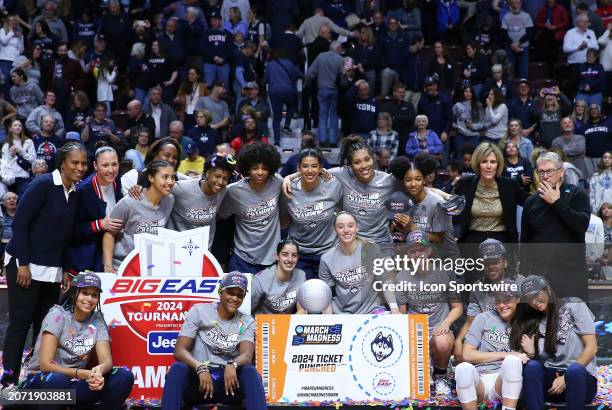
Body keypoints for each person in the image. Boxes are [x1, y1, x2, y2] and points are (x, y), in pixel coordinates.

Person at [1, 142, 87, 388]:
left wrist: (66, 270)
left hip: (52, 269)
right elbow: (20, 225)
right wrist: (23, 265)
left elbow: (65, 236)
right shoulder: (42, 184)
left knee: (45, 324)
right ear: (62, 162)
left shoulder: (75, 192)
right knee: (21, 321)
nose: (80, 167)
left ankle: (36, 374)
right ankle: (9, 378)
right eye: (75, 162)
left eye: (83, 163)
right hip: (25, 263)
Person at [21, 272, 135, 408]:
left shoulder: (97, 319)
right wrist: (80, 373)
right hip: (39, 386)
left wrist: (98, 371)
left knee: (124, 376)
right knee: (58, 380)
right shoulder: (57, 315)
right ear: (75, 293)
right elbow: (46, 365)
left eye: (94, 295)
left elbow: (106, 361)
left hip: (73, 385)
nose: (89, 299)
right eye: (85, 293)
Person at [162, 271, 265, 409]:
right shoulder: (199, 311)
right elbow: (179, 351)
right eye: (230, 293)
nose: (235, 298)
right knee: (177, 368)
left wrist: (232, 364)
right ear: (220, 291)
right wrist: (199, 367)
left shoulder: (246, 320)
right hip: (200, 383)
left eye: (240, 295)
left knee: (250, 372)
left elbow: (246, 355)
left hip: (229, 385)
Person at [394, 230, 463, 396]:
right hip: (416, 331)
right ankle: (423, 371)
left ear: (428, 251)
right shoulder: (401, 277)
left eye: (421, 249)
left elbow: (458, 307)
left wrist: (445, 324)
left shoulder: (445, 273)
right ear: (408, 254)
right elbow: (403, 313)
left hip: (440, 329)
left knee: (441, 341)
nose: (417, 254)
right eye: (413, 251)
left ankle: (441, 375)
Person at [514, 276, 598, 410]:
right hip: (552, 385)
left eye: (536, 295)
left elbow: (592, 347)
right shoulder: (535, 321)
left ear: (547, 289)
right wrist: (532, 354)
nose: (534, 301)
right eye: (529, 299)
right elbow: (544, 362)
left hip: (580, 380)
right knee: (532, 367)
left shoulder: (573, 306)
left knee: (574, 371)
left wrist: (565, 378)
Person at [521, 152, 591, 299]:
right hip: (541, 275)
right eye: (541, 172)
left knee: (574, 319)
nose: (545, 176)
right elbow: (525, 242)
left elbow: (581, 225)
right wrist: (523, 274)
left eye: (550, 171)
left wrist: (556, 202)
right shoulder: (531, 201)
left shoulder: (577, 194)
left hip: (571, 274)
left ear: (561, 172)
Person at [454, 143, 525, 282]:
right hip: (472, 241)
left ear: (498, 165)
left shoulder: (509, 185)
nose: (488, 166)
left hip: (502, 240)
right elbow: (452, 205)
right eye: (484, 162)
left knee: (504, 288)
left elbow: (528, 203)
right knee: (473, 286)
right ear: (477, 163)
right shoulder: (466, 183)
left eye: (493, 162)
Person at [455, 282, 526, 410]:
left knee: (512, 361)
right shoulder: (483, 318)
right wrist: (506, 354)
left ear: (518, 300)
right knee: (462, 368)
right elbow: (467, 354)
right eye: (498, 301)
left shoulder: (526, 322)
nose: (502, 305)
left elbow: (528, 356)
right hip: (481, 380)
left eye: (507, 300)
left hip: (505, 380)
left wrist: (528, 352)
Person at [219, 143, 282, 274]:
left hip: (271, 260)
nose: (260, 172)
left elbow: (298, 179)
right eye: (255, 168)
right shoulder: (233, 191)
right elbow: (219, 217)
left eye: (264, 168)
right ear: (247, 168)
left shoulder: (278, 183)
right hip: (242, 259)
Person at [281, 148, 342, 279]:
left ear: (321, 168)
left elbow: (342, 211)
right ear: (299, 168)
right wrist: (288, 177)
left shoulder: (333, 186)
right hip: (299, 254)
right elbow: (283, 223)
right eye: (305, 166)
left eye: (314, 166)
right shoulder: (288, 188)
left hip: (328, 252)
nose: (309, 170)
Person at [103, 160, 176, 271]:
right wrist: (108, 266)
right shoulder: (129, 202)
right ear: (151, 178)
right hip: (123, 264)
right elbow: (109, 234)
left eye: (173, 177)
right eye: (165, 177)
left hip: (150, 265)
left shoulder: (169, 200)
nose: (170, 182)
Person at [319, 211, 389, 314]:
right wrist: (329, 320)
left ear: (357, 228)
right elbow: (325, 295)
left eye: (350, 226)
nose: (346, 230)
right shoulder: (326, 258)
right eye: (340, 227)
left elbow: (385, 281)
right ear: (335, 230)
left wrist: (394, 308)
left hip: (372, 310)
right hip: (343, 313)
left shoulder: (372, 249)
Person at [389, 156, 459, 259]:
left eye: (418, 179)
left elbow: (439, 238)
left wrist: (411, 228)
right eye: (408, 180)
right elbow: (406, 235)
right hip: (423, 261)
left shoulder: (437, 202)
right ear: (403, 182)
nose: (413, 184)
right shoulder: (403, 201)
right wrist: (399, 229)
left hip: (445, 259)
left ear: (424, 180)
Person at [68, 147, 123, 274]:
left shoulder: (117, 181)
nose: (111, 170)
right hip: (86, 260)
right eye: (105, 165)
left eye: (114, 164)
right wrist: (99, 224)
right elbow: (72, 232)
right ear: (95, 165)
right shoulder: (83, 191)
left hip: (110, 254)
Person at [169, 154, 236, 248]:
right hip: (178, 248)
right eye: (217, 176)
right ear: (207, 173)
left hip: (204, 251)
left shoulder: (223, 191)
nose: (221, 182)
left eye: (225, 179)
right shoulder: (182, 189)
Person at [251, 239, 306, 314]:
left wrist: (292, 324)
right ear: (277, 256)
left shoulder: (301, 276)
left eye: (294, 255)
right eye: (285, 254)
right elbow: (246, 311)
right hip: (262, 323)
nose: (290, 259)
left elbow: (301, 310)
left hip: (286, 323)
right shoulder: (260, 280)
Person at [305, 42, 343, 147]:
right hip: (335, 90)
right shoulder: (340, 59)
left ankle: (322, 139)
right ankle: (332, 140)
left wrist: (307, 83)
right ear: (338, 48)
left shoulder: (321, 57)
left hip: (322, 89)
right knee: (334, 115)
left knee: (322, 115)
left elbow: (310, 73)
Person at [378, 83, 416, 156]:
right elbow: (387, 121)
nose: (402, 94)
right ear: (394, 93)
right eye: (400, 92)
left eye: (403, 92)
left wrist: (395, 117)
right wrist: (404, 118)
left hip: (406, 139)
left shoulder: (409, 105)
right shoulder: (387, 106)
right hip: (391, 138)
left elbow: (411, 118)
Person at [1, 119, 36, 194]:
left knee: (21, 199)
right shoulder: (6, 144)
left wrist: (21, 152)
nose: (18, 127)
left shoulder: (28, 142)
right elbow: (4, 164)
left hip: (24, 177)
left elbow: (33, 160)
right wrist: (11, 156)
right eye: (15, 125)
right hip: (11, 178)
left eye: (19, 125)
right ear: (10, 129)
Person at [452, 84, 484, 160]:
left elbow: (482, 123)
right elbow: (451, 119)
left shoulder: (478, 105)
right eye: (466, 91)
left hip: (473, 136)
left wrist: (473, 126)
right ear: (463, 93)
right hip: (461, 135)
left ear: (473, 93)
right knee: (459, 157)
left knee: (474, 158)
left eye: (470, 91)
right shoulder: (457, 105)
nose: (468, 93)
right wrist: (455, 125)